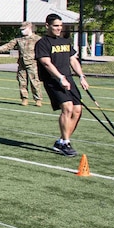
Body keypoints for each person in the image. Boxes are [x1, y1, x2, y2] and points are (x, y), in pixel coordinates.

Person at [35, 13, 90, 157]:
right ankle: (65, 143)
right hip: (53, 80)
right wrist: (60, 78)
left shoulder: (65, 41)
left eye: (60, 26)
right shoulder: (43, 43)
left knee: (77, 110)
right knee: (67, 107)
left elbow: (73, 60)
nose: (59, 28)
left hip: (68, 79)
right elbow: (46, 63)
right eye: (55, 26)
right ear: (47, 26)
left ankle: (61, 141)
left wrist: (82, 77)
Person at [0, 22, 45, 106]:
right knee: (22, 83)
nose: (22, 31)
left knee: (35, 82)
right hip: (22, 64)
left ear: (29, 28)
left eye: (24, 29)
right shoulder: (19, 39)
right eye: (21, 30)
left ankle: (38, 99)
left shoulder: (37, 39)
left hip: (33, 64)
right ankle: (24, 98)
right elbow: (9, 45)